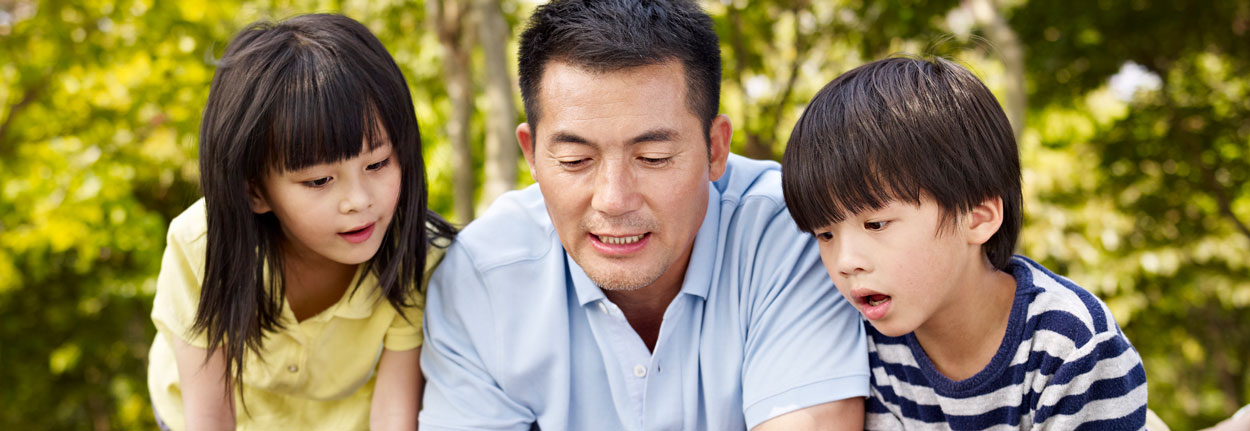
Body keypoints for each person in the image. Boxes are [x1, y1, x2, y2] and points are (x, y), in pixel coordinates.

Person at [418, 0, 869, 430]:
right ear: (532, 155)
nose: (613, 200)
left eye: (652, 157)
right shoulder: (481, 278)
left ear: (716, 149)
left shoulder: (796, 232)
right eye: (576, 161)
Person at [781, 56, 1148, 429]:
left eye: (875, 224)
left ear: (978, 217)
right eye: (825, 234)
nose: (845, 261)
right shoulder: (864, 343)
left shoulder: (1070, 343)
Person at [146, 14, 454, 431]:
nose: (360, 201)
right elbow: (210, 421)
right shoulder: (199, 245)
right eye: (319, 180)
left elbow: (393, 418)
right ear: (255, 190)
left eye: (378, 163)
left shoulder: (418, 258)